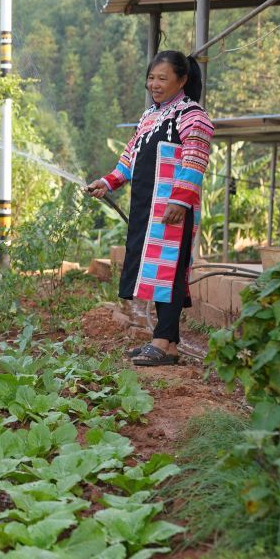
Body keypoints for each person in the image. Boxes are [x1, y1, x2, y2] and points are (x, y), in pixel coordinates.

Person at [84, 51, 214, 366]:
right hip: (147, 206)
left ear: (182, 80)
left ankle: (162, 340)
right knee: (157, 269)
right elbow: (130, 156)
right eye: (151, 78)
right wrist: (108, 182)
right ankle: (167, 345)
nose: (154, 84)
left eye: (162, 78)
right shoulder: (150, 116)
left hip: (171, 208)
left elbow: (194, 161)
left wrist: (179, 202)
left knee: (169, 269)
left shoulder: (192, 116)